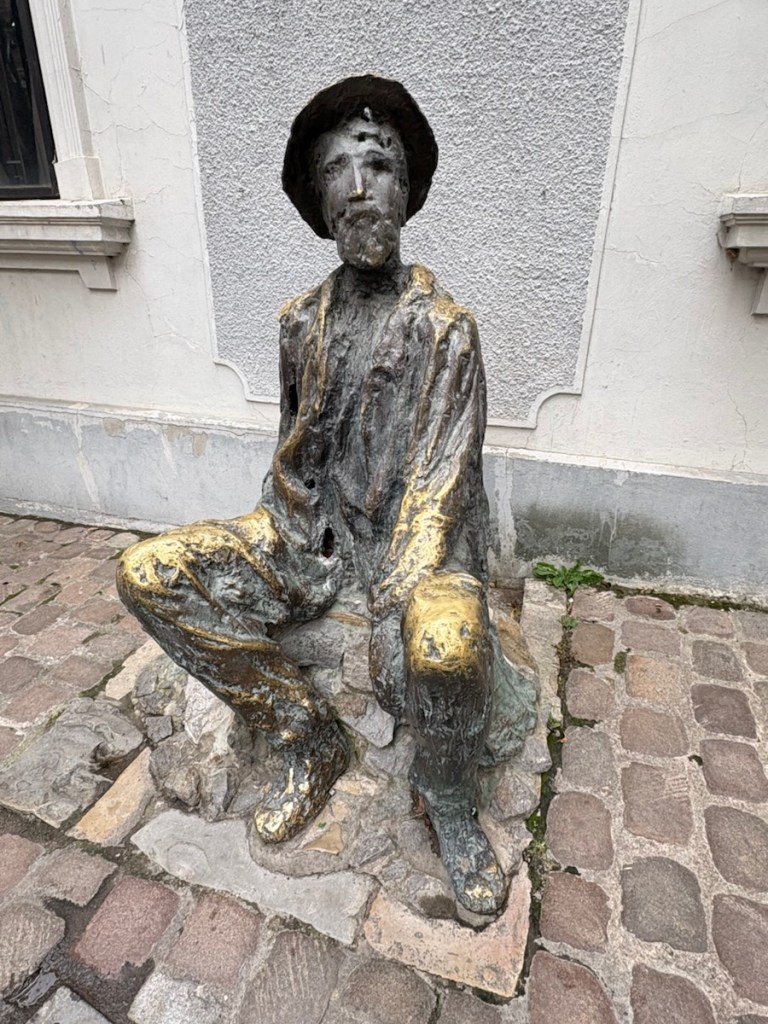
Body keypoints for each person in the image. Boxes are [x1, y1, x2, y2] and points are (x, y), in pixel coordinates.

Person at [117, 75, 536, 915]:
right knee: (147, 572)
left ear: (405, 188)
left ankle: (448, 800)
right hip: (305, 541)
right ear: (319, 201)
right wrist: (268, 549)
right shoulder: (297, 323)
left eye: (376, 165)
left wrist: (392, 610)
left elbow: (441, 487)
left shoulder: (447, 330)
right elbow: (291, 459)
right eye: (336, 172)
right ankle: (304, 734)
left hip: (416, 558)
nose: (357, 188)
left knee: (446, 648)